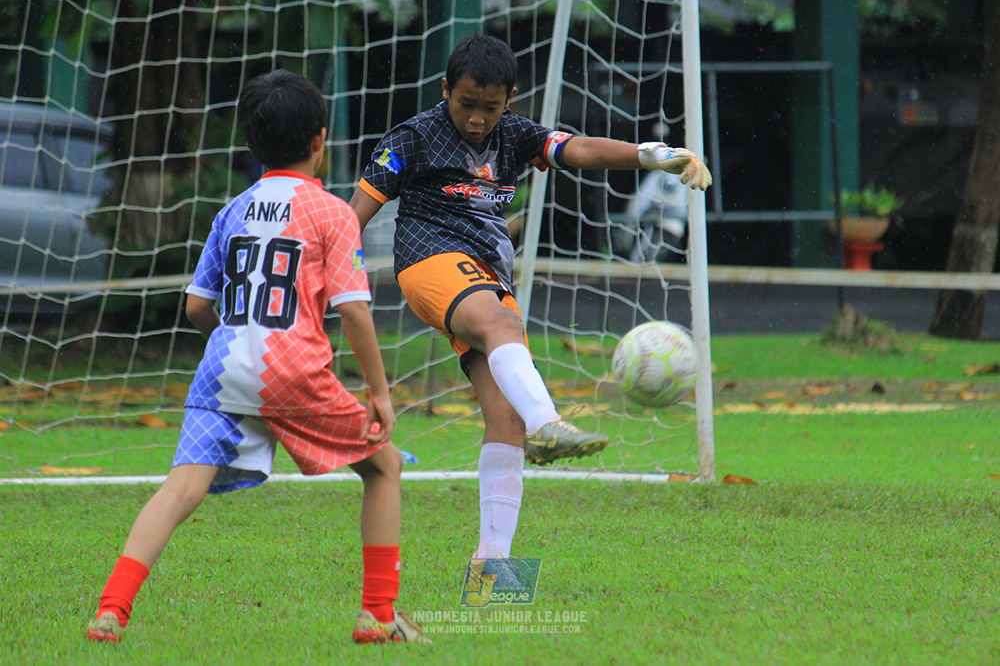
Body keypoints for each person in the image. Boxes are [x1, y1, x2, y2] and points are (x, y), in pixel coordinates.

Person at [85, 70, 425, 645]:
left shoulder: (232, 212)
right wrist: (380, 391)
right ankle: (378, 614)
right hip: (293, 369)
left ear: (250, 144)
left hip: (221, 371)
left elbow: (196, 306)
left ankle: (111, 610)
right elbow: (356, 310)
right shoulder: (331, 213)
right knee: (383, 466)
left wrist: (234, 342)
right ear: (320, 140)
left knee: (179, 490)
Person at [348, 34, 711, 562]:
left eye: (489, 108)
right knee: (503, 330)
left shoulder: (513, 134)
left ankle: (492, 571)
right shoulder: (413, 137)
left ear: (509, 100)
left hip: (487, 273)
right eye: (466, 104)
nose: (476, 119)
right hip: (428, 260)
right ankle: (550, 424)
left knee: (505, 417)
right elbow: (352, 216)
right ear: (445, 89)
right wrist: (332, 276)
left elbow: (576, 148)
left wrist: (651, 156)